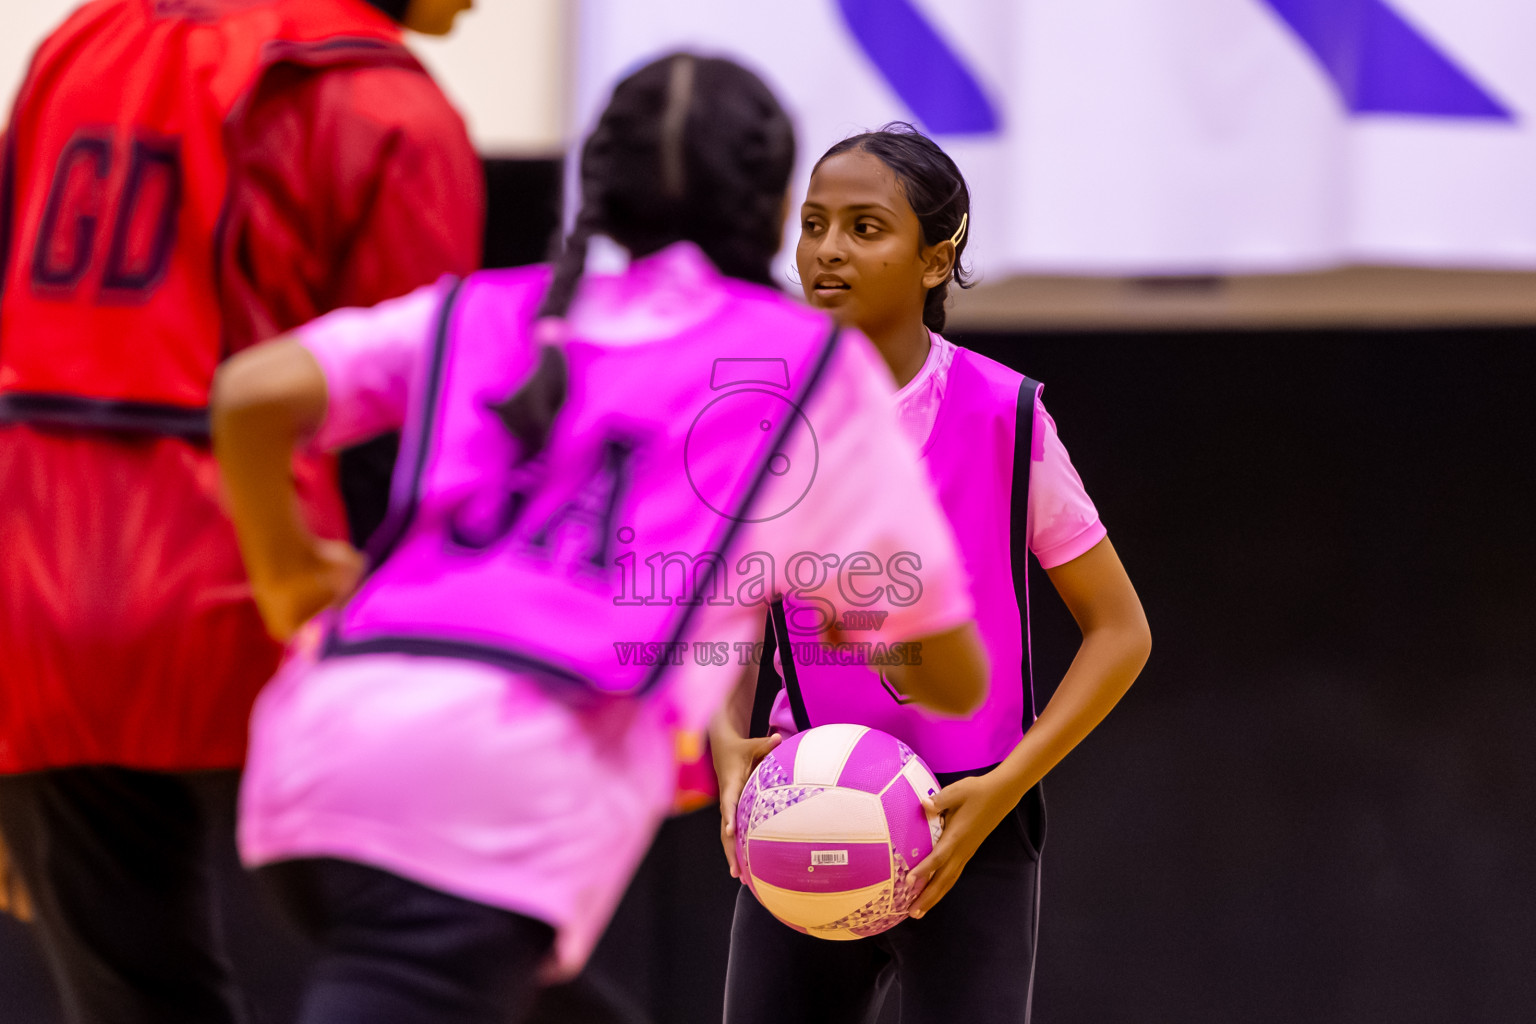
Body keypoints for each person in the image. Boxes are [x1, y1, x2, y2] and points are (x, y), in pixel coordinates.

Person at [210, 54, 992, 1024]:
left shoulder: (487, 308)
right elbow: (958, 680)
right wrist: (865, 619)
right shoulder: (806, 367)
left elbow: (250, 393)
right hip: (490, 796)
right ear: (779, 200)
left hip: (321, 741)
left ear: (598, 183)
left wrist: (284, 573)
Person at [0, 0, 481, 1020]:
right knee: (465, 950)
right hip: (266, 585)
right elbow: (424, 430)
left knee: (133, 999)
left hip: (36, 594)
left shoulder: (80, 40)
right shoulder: (382, 100)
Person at [714, 125, 1153, 1024]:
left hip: (972, 821)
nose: (827, 250)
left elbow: (1121, 632)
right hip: (804, 809)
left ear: (934, 259)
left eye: (865, 227)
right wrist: (726, 744)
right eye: (812, 224)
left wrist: (1006, 787)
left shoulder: (1006, 416)